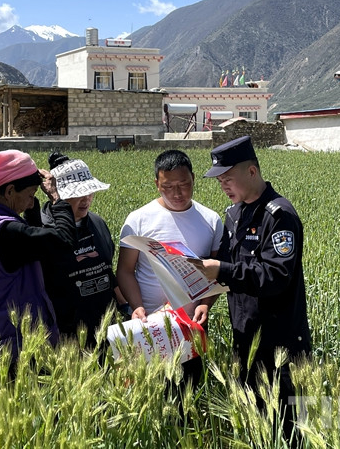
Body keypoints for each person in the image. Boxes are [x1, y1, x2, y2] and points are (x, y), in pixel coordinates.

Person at [194, 135, 311, 445]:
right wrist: (206, 299)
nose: (223, 186)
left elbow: (274, 276)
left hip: (278, 342)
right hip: (245, 338)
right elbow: (226, 263)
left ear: (252, 171)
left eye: (228, 178)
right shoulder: (234, 214)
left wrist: (222, 271)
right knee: (254, 425)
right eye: (219, 181)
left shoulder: (279, 215)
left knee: (288, 430)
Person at [0, 149, 76, 367]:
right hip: (15, 350)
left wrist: (31, 211)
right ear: (10, 191)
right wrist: (56, 198)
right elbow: (63, 242)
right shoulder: (7, 232)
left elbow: (30, 248)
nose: (31, 203)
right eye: (31, 195)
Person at [117, 149, 224, 383]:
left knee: (189, 390)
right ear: (157, 184)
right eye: (168, 186)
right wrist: (136, 306)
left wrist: (205, 304)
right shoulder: (138, 219)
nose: (177, 193)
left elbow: (217, 273)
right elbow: (125, 270)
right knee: (149, 390)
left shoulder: (211, 220)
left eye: (184, 184)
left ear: (193, 179)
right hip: (149, 326)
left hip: (190, 326)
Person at [35, 152, 121, 347]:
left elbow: (109, 271)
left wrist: (126, 306)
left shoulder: (97, 223)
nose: (86, 199)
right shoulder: (41, 229)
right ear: (58, 194)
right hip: (64, 338)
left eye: (89, 192)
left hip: (106, 330)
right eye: (77, 194)